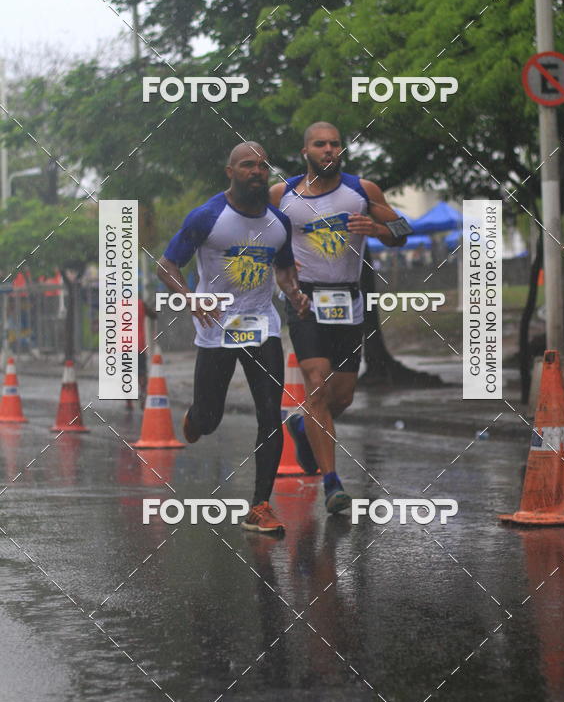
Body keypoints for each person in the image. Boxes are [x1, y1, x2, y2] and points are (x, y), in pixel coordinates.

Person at [157, 142, 309, 535]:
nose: (256, 172)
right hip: (216, 328)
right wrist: (191, 298)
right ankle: (197, 415)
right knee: (209, 419)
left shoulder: (278, 223)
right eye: (247, 166)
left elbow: (285, 271)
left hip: (263, 327)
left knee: (269, 414)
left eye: (262, 166)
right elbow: (167, 265)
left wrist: (294, 293)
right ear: (230, 172)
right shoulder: (207, 217)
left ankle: (259, 506)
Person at [269, 122, 408, 514]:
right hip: (305, 300)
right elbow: (258, 236)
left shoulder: (362, 191)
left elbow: (402, 230)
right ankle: (332, 484)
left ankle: (300, 425)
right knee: (316, 384)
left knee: (340, 396)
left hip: (350, 299)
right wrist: (281, 268)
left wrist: (377, 228)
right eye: (320, 144)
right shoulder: (283, 194)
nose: (329, 150)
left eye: (335, 144)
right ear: (305, 152)